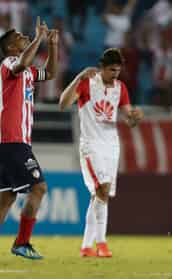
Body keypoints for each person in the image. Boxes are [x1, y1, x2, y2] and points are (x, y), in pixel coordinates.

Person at [0, 16, 58, 260]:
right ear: (10, 47)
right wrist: (38, 38)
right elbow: (22, 63)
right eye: (19, 37)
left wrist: (52, 44)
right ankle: (22, 243)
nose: (24, 36)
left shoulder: (27, 71)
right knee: (39, 188)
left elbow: (50, 73)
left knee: (7, 197)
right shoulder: (9, 63)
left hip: (13, 141)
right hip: (13, 139)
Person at [58, 48, 144, 258]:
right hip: (91, 145)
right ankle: (102, 244)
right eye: (112, 70)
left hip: (111, 147)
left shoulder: (120, 87)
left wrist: (135, 117)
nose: (115, 74)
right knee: (102, 190)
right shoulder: (88, 83)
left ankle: (86, 246)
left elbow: (128, 119)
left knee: (98, 195)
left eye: (118, 70)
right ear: (102, 68)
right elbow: (62, 104)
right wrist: (78, 76)